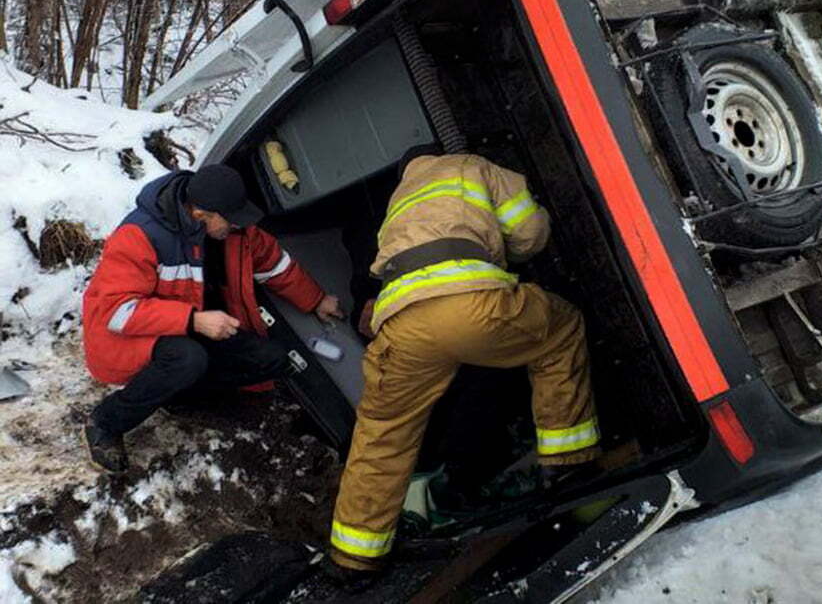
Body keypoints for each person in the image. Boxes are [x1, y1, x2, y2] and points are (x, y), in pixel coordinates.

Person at [328, 147, 599, 578]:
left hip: (400, 325)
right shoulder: (470, 166)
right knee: (562, 327)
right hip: (472, 305)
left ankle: (353, 558)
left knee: (383, 433)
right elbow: (530, 233)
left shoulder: (399, 199)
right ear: (439, 155)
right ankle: (569, 462)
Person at [81, 164, 342, 474]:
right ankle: (106, 422)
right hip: (128, 335)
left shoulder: (229, 229)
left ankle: (178, 393)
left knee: (270, 358)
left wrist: (315, 300)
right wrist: (193, 320)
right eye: (231, 220)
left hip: (186, 326)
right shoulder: (138, 236)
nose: (237, 226)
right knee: (187, 359)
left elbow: (273, 263)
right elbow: (116, 311)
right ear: (201, 213)